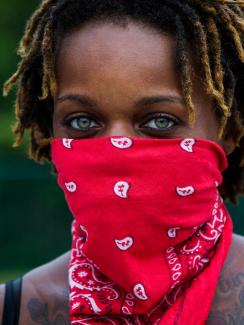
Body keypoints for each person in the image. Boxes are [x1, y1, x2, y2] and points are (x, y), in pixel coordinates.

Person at [1, 0, 244, 324]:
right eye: (83, 122)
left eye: (159, 121)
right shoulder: (13, 311)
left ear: (227, 129)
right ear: (51, 131)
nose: (116, 149)